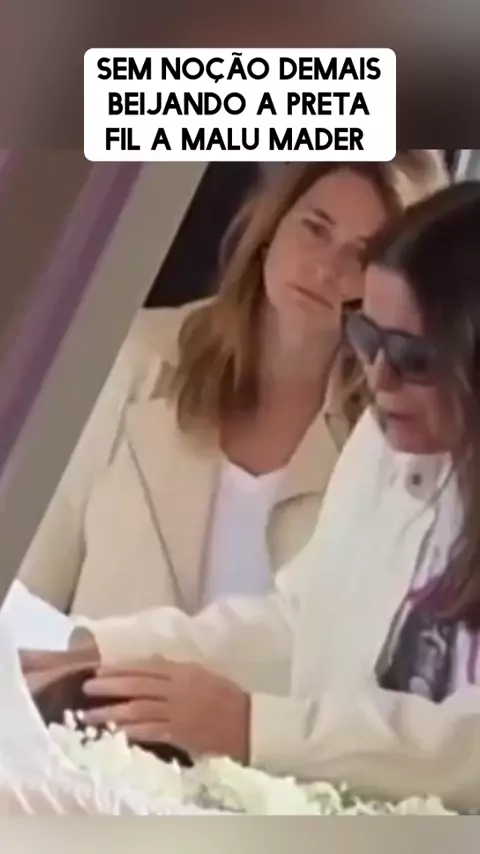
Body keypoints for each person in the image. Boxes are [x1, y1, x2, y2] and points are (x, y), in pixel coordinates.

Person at [22, 179, 480, 812]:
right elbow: (301, 623)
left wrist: (255, 727)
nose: (379, 378)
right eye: (369, 339)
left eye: (413, 358)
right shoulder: (383, 442)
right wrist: (100, 651)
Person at [18, 154, 445, 620]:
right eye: (315, 229)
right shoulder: (132, 357)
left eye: (361, 255)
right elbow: (26, 590)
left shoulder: (389, 445)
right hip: (74, 668)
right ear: (272, 225)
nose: (326, 269)